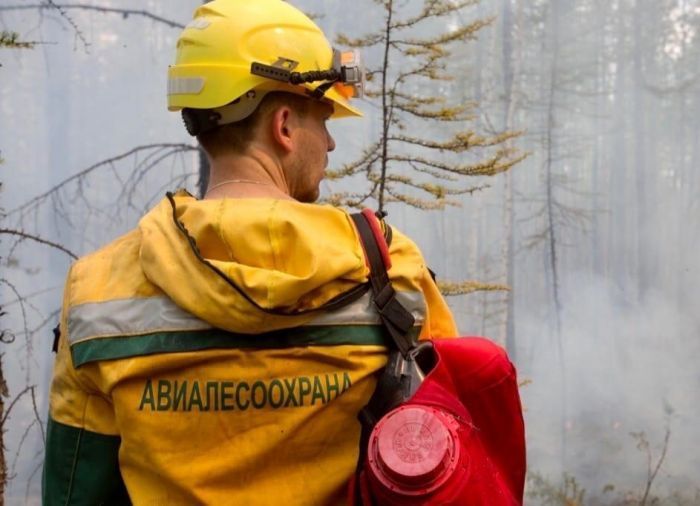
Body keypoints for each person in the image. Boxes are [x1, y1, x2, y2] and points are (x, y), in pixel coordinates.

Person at [42, 1, 459, 504]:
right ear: (284, 125)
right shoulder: (387, 266)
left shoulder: (97, 289)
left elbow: (76, 490)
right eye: (323, 118)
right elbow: (451, 451)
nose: (329, 142)